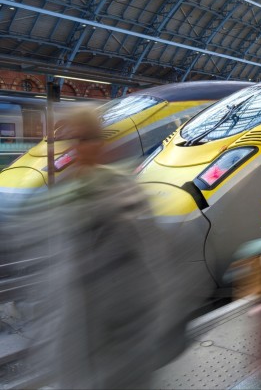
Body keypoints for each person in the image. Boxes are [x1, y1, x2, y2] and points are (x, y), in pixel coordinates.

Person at [24, 108, 192, 389]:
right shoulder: (71, 194)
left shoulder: (123, 194)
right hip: (83, 345)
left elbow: (151, 270)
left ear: (99, 144)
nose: (74, 150)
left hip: (122, 343)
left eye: (82, 140)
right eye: (70, 141)